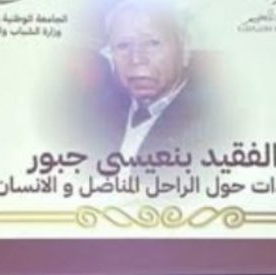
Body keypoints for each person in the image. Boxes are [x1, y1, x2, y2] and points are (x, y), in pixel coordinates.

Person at [89, 0, 210, 160]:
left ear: (185, 49)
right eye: (123, 45)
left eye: (152, 43)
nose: (136, 59)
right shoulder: (95, 112)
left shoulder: (210, 125)